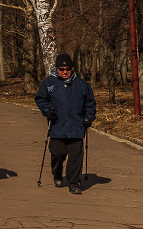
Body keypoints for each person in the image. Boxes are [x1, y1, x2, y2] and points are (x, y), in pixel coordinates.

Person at [34, 52, 96, 194]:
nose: (65, 72)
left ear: (72, 69)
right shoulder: (49, 82)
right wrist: (47, 109)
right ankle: (57, 174)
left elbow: (90, 103)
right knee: (57, 153)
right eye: (61, 69)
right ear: (57, 69)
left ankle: (74, 182)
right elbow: (40, 98)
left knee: (75, 156)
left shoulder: (81, 85)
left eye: (67, 69)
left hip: (76, 126)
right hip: (57, 126)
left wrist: (89, 117)